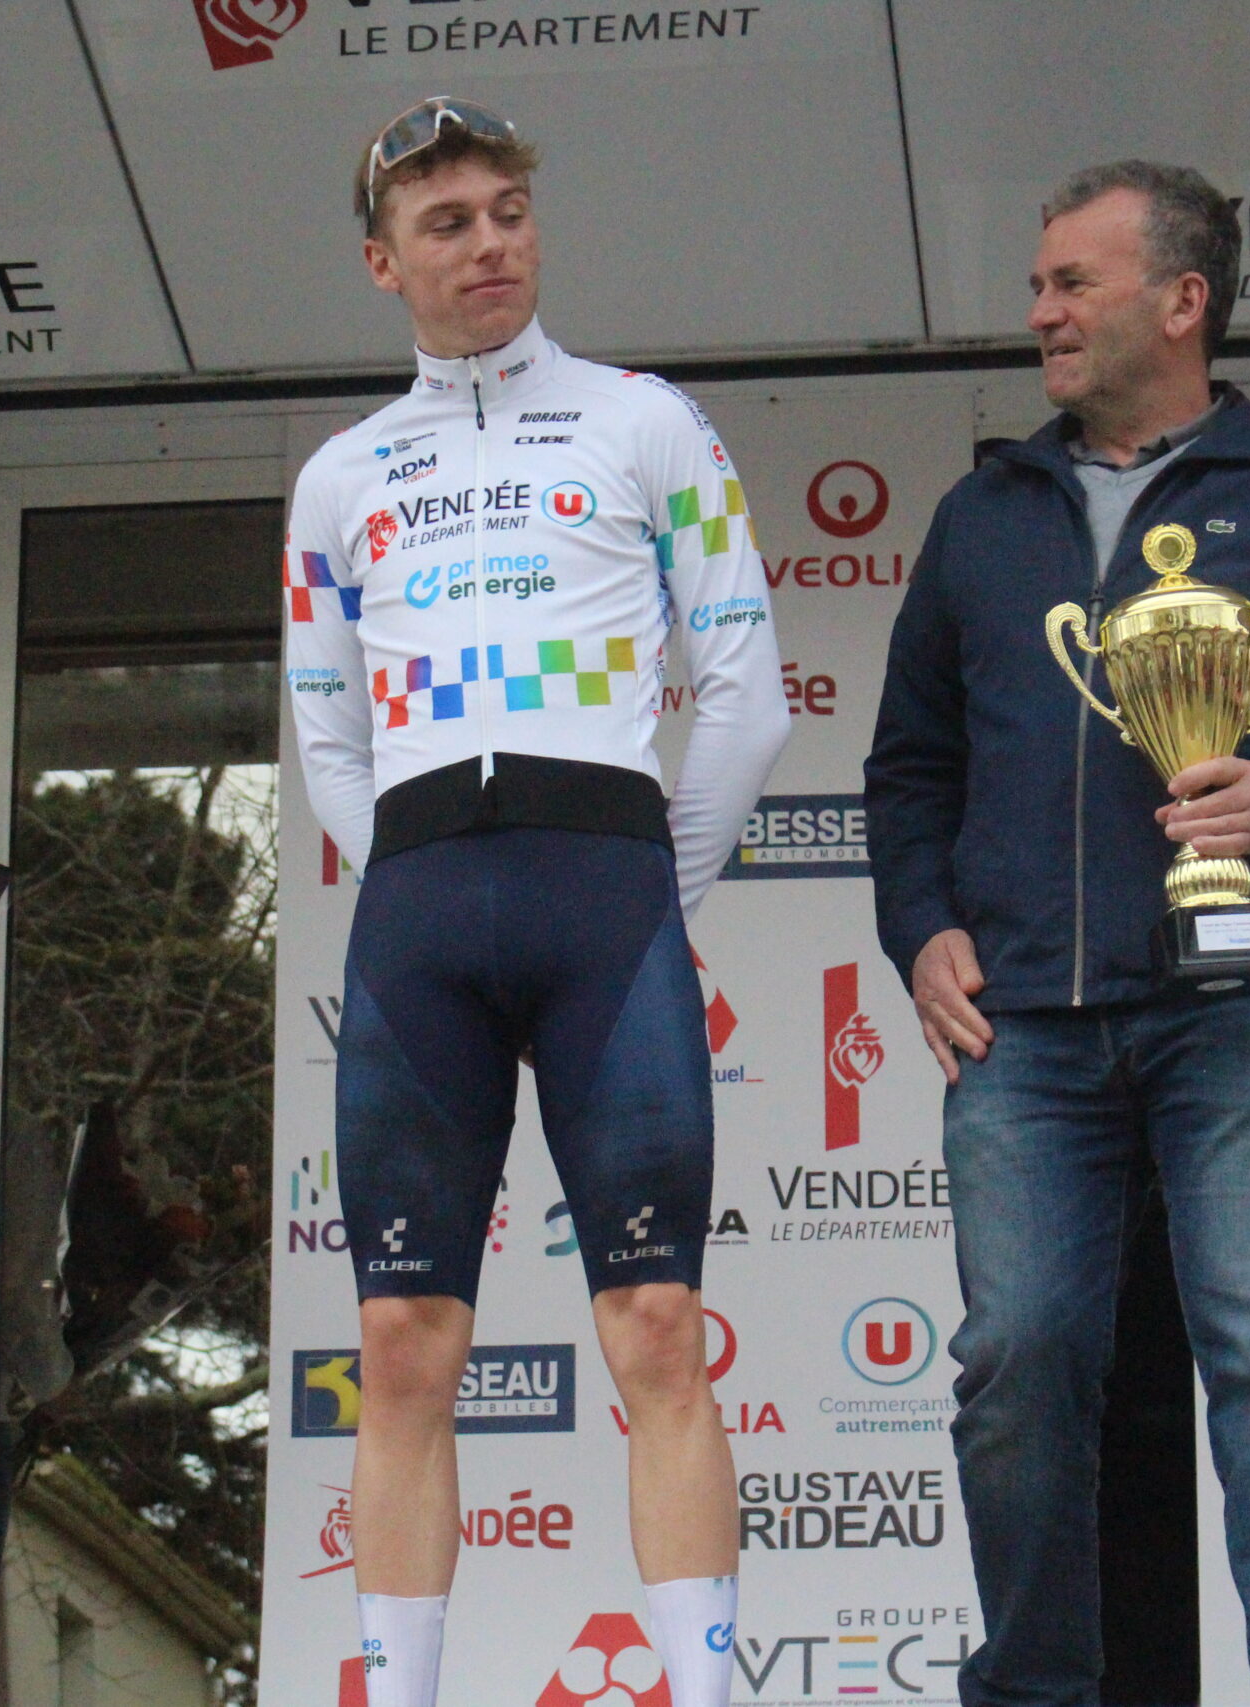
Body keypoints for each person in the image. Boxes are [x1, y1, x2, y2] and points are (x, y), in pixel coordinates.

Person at [864, 161, 1250, 1707]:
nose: (1041, 311)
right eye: (1039, 283)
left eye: (1073, 282)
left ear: (1183, 300)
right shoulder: (981, 515)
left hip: (1244, 999)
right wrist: (922, 926)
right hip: (1022, 1020)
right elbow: (911, 766)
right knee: (1013, 1365)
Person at [283, 98, 788, 1707]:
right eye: (448, 222)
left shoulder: (646, 421)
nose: (490, 243)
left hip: (605, 899)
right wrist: (416, 874)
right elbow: (329, 738)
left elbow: (749, 693)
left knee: (656, 1319)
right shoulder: (339, 477)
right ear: (384, 262)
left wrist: (645, 881)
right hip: (422, 916)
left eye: (508, 211)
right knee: (403, 1344)